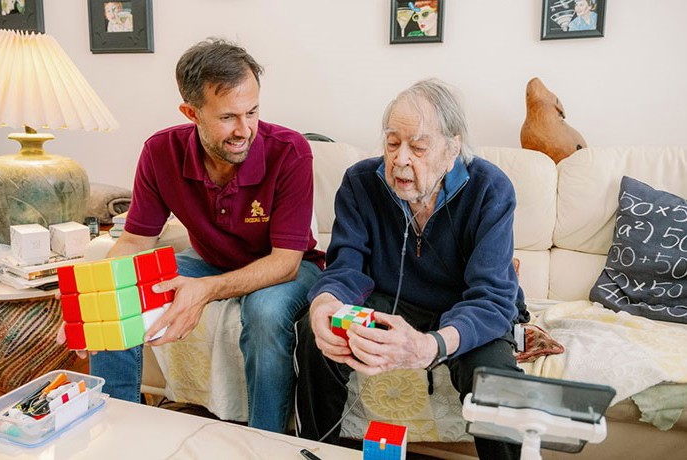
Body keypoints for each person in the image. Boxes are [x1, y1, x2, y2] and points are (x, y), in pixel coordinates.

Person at [58, 38, 324, 434]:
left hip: (287, 267)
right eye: (228, 117)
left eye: (252, 112)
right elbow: (134, 242)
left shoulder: (290, 151)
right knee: (121, 290)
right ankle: (116, 427)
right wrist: (92, 300)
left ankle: (265, 441)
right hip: (211, 261)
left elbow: (285, 262)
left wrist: (205, 291)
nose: (245, 130)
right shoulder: (160, 152)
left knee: (265, 313)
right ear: (191, 113)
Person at [294, 78, 528, 459]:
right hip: (390, 302)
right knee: (314, 331)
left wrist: (431, 346)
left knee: (494, 380)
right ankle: (317, 450)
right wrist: (324, 305)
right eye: (392, 143)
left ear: (452, 148)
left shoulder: (490, 189)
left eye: (418, 147)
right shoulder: (359, 183)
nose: (400, 159)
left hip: (466, 308)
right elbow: (345, 268)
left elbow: (492, 298)